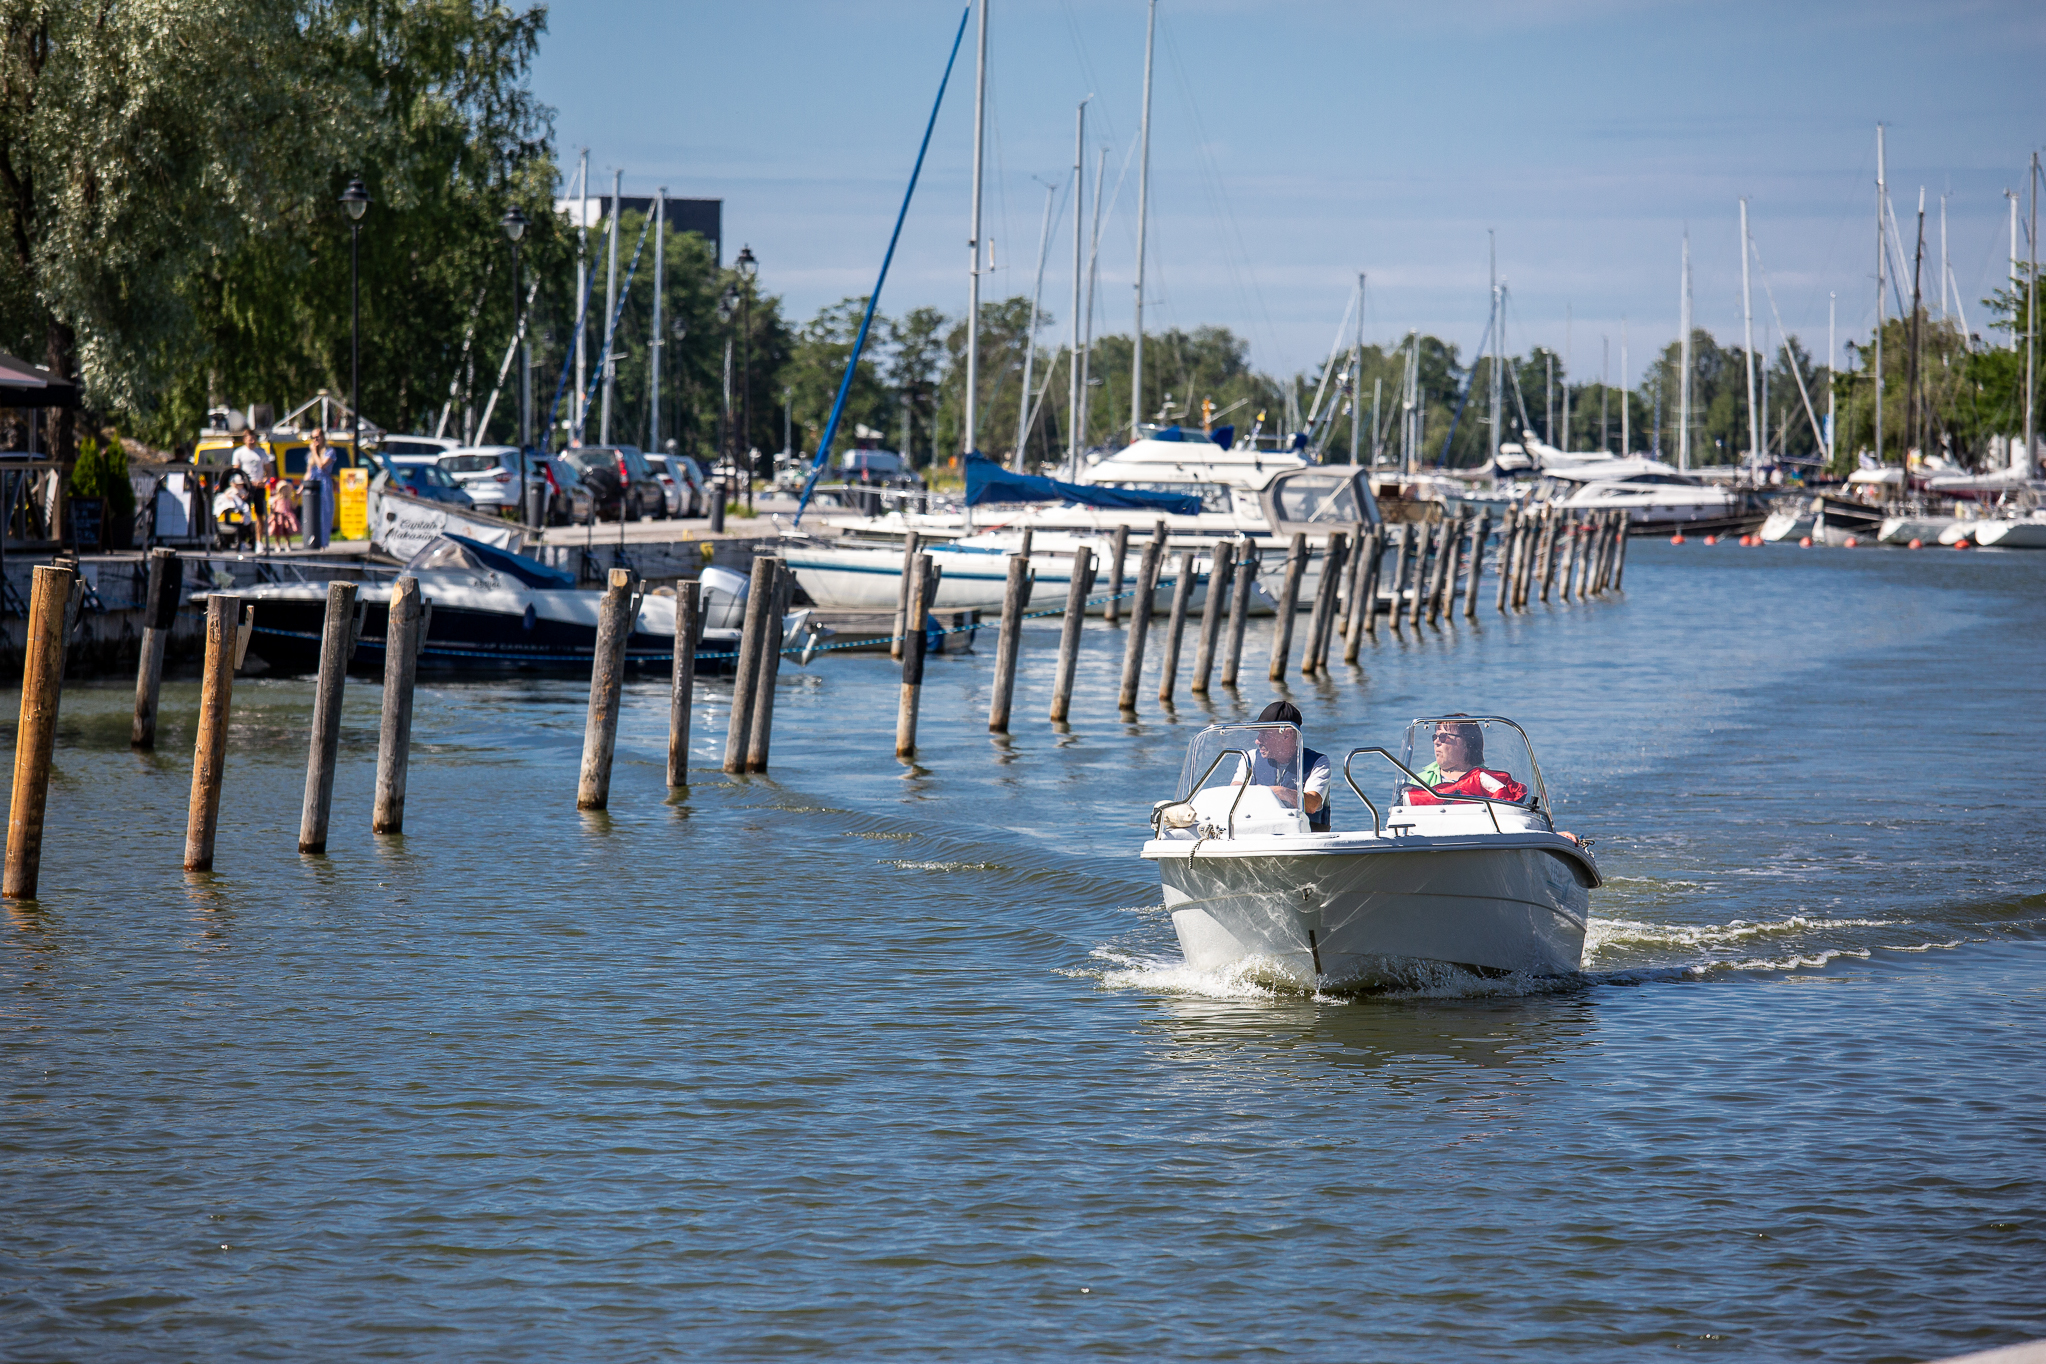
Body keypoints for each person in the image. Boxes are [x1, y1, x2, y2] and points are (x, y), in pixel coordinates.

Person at [1241, 700, 1331, 832]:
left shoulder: (1318, 762)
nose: (1257, 740)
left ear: (1287, 735)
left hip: (1306, 838)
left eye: (1265, 734)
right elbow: (1236, 791)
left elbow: (1313, 804)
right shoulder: (1249, 758)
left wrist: (1279, 792)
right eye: (1258, 733)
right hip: (1259, 833)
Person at [1408, 717, 1528, 805]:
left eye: (1443, 737)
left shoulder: (1491, 781)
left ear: (1466, 744)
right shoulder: (1420, 781)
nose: (1436, 742)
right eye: (1435, 737)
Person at [231, 428, 273, 550]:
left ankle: (259, 542)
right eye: (250, 439)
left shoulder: (261, 452)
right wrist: (241, 484)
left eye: (254, 438)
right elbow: (236, 471)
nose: (252, 441)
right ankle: (243, 540)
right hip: (245, 486)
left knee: (260, 514)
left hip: (259, 486)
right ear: (245, 440)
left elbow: (268, 470)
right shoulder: (239, 453)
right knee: (245, 513)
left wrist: (264, 481)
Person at [302, 426, 337, 548]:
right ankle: (311, 541)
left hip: (324, 484)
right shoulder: (310, 455)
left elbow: (322, 465)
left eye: (318, 437)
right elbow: (308, 472)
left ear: (323, 437)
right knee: (311, 514)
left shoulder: (329, 452)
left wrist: (314, 452)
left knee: (324, 513)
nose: (315, 440)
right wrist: (302, 487)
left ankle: (323, 542)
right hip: (312, 483)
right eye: (313, 437)